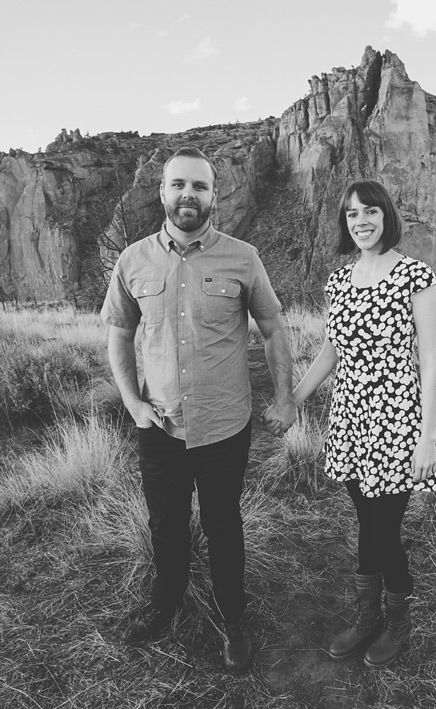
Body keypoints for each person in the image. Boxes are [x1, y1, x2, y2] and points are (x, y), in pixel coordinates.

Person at [102, 146, 296, 673]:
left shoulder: (243, 257)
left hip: (224, 425)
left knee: (223, 524)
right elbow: (120, 332)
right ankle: (167, 605)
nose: (189, 194)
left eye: (200, 187)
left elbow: (275, 328)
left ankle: (232, 618)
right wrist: (132, 401)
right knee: (165, 524)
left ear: (216, 197)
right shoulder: (134, 260)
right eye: (179, 185)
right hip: (159, 424)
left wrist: (284, 397)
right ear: (162, 192)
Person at [278, 178, 436, 668]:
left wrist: (426, 439)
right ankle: (368, 616)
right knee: (367, 523)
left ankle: (395, 619)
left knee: (382, 528)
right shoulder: (339, 280)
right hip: (349, 418)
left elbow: (429, 360)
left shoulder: (415, 275)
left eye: (369, 211)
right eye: (352, 214)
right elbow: (331, 351)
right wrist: (293, 402)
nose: (361, 221)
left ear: (386, 215)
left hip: (397, 420)